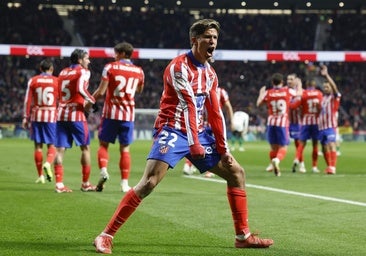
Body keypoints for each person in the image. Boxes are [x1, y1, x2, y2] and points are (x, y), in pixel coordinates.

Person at [93, 19, 273, 254]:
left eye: (215, 38)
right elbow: (188, 104)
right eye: (208, 37)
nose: (213, 42)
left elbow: (215, 112)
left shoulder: (210, 73)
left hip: (197, 132)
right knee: (148, 183)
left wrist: (223, 148)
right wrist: (193, 143)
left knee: (236, 172)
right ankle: (105, 235)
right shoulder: (178, 67)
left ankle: (243, 236)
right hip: (172, 130)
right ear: (194, 40)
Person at [89, 42, 145, 192]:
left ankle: (103, 171)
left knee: (103, 145)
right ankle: (124, 184)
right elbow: (139, 90)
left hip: (110, 113)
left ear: (121, 54)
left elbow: (101, 91)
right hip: (128, 114)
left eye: (115, 53)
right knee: (125, 149)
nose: (114, 56)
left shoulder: (110, 67)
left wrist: (89, 102)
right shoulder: (139, 71)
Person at [53, 49, 96, 193]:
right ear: (79, 60)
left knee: (60, 150)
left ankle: (59, 185)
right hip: (76, 115)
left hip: (61, 114)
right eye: (87, 58)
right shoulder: (83, 71)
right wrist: (92, 100)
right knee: (85, 148)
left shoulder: (62, 72)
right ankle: (85, 183)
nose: (89, 61)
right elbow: (80, 89)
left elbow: (60, 93)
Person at [183, 86, 234, 178]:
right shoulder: (199, 88)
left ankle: (206, 168)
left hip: (213, 124)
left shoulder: (221, 91)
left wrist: (232, 121)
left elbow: (228, 106)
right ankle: (190, 165)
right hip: (202, 124)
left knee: (211, 145)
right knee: (197, 144)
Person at [256, 73, 300, 177]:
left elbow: (259, 104)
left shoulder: (268, 93)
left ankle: (272, 164)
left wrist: (260, 93)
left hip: (271, 122)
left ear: (272, 82)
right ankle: (277, 160)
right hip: (282, 123)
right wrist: (299, 85)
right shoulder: (287, 91)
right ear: (282, 82)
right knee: (283, 147)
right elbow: (298, 95)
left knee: (273, 148)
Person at [22, 59, 58, 184]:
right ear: (51, 69)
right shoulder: (56, 81)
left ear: (40, 69)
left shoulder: (33, 80)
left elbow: (28, 100)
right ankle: (48, 163)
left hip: (36, 115)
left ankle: (40, 176)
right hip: (51, 115)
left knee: (38, 147)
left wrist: (25, 117)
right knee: (52, 145)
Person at [291, 79, 323, 173]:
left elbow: (294, 106)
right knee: (315, 144)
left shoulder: (303, 94)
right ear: (315, 85)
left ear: (307, 84)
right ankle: (314, 167)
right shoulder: (319, 93)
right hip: (316, 121)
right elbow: (321, 107)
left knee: (301, 143)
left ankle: (296, 159)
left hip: (305, 121)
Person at [318, 65, 341, 174]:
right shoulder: (323, 99)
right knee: (323, 148)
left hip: (330, 126)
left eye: (327, 87)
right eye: (324, 87)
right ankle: (329, 166)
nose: (325, 88)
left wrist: (326, 75)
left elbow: (335, 88)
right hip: (321, 127)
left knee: (331, 144)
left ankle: (333, 167)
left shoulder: (334, 97)